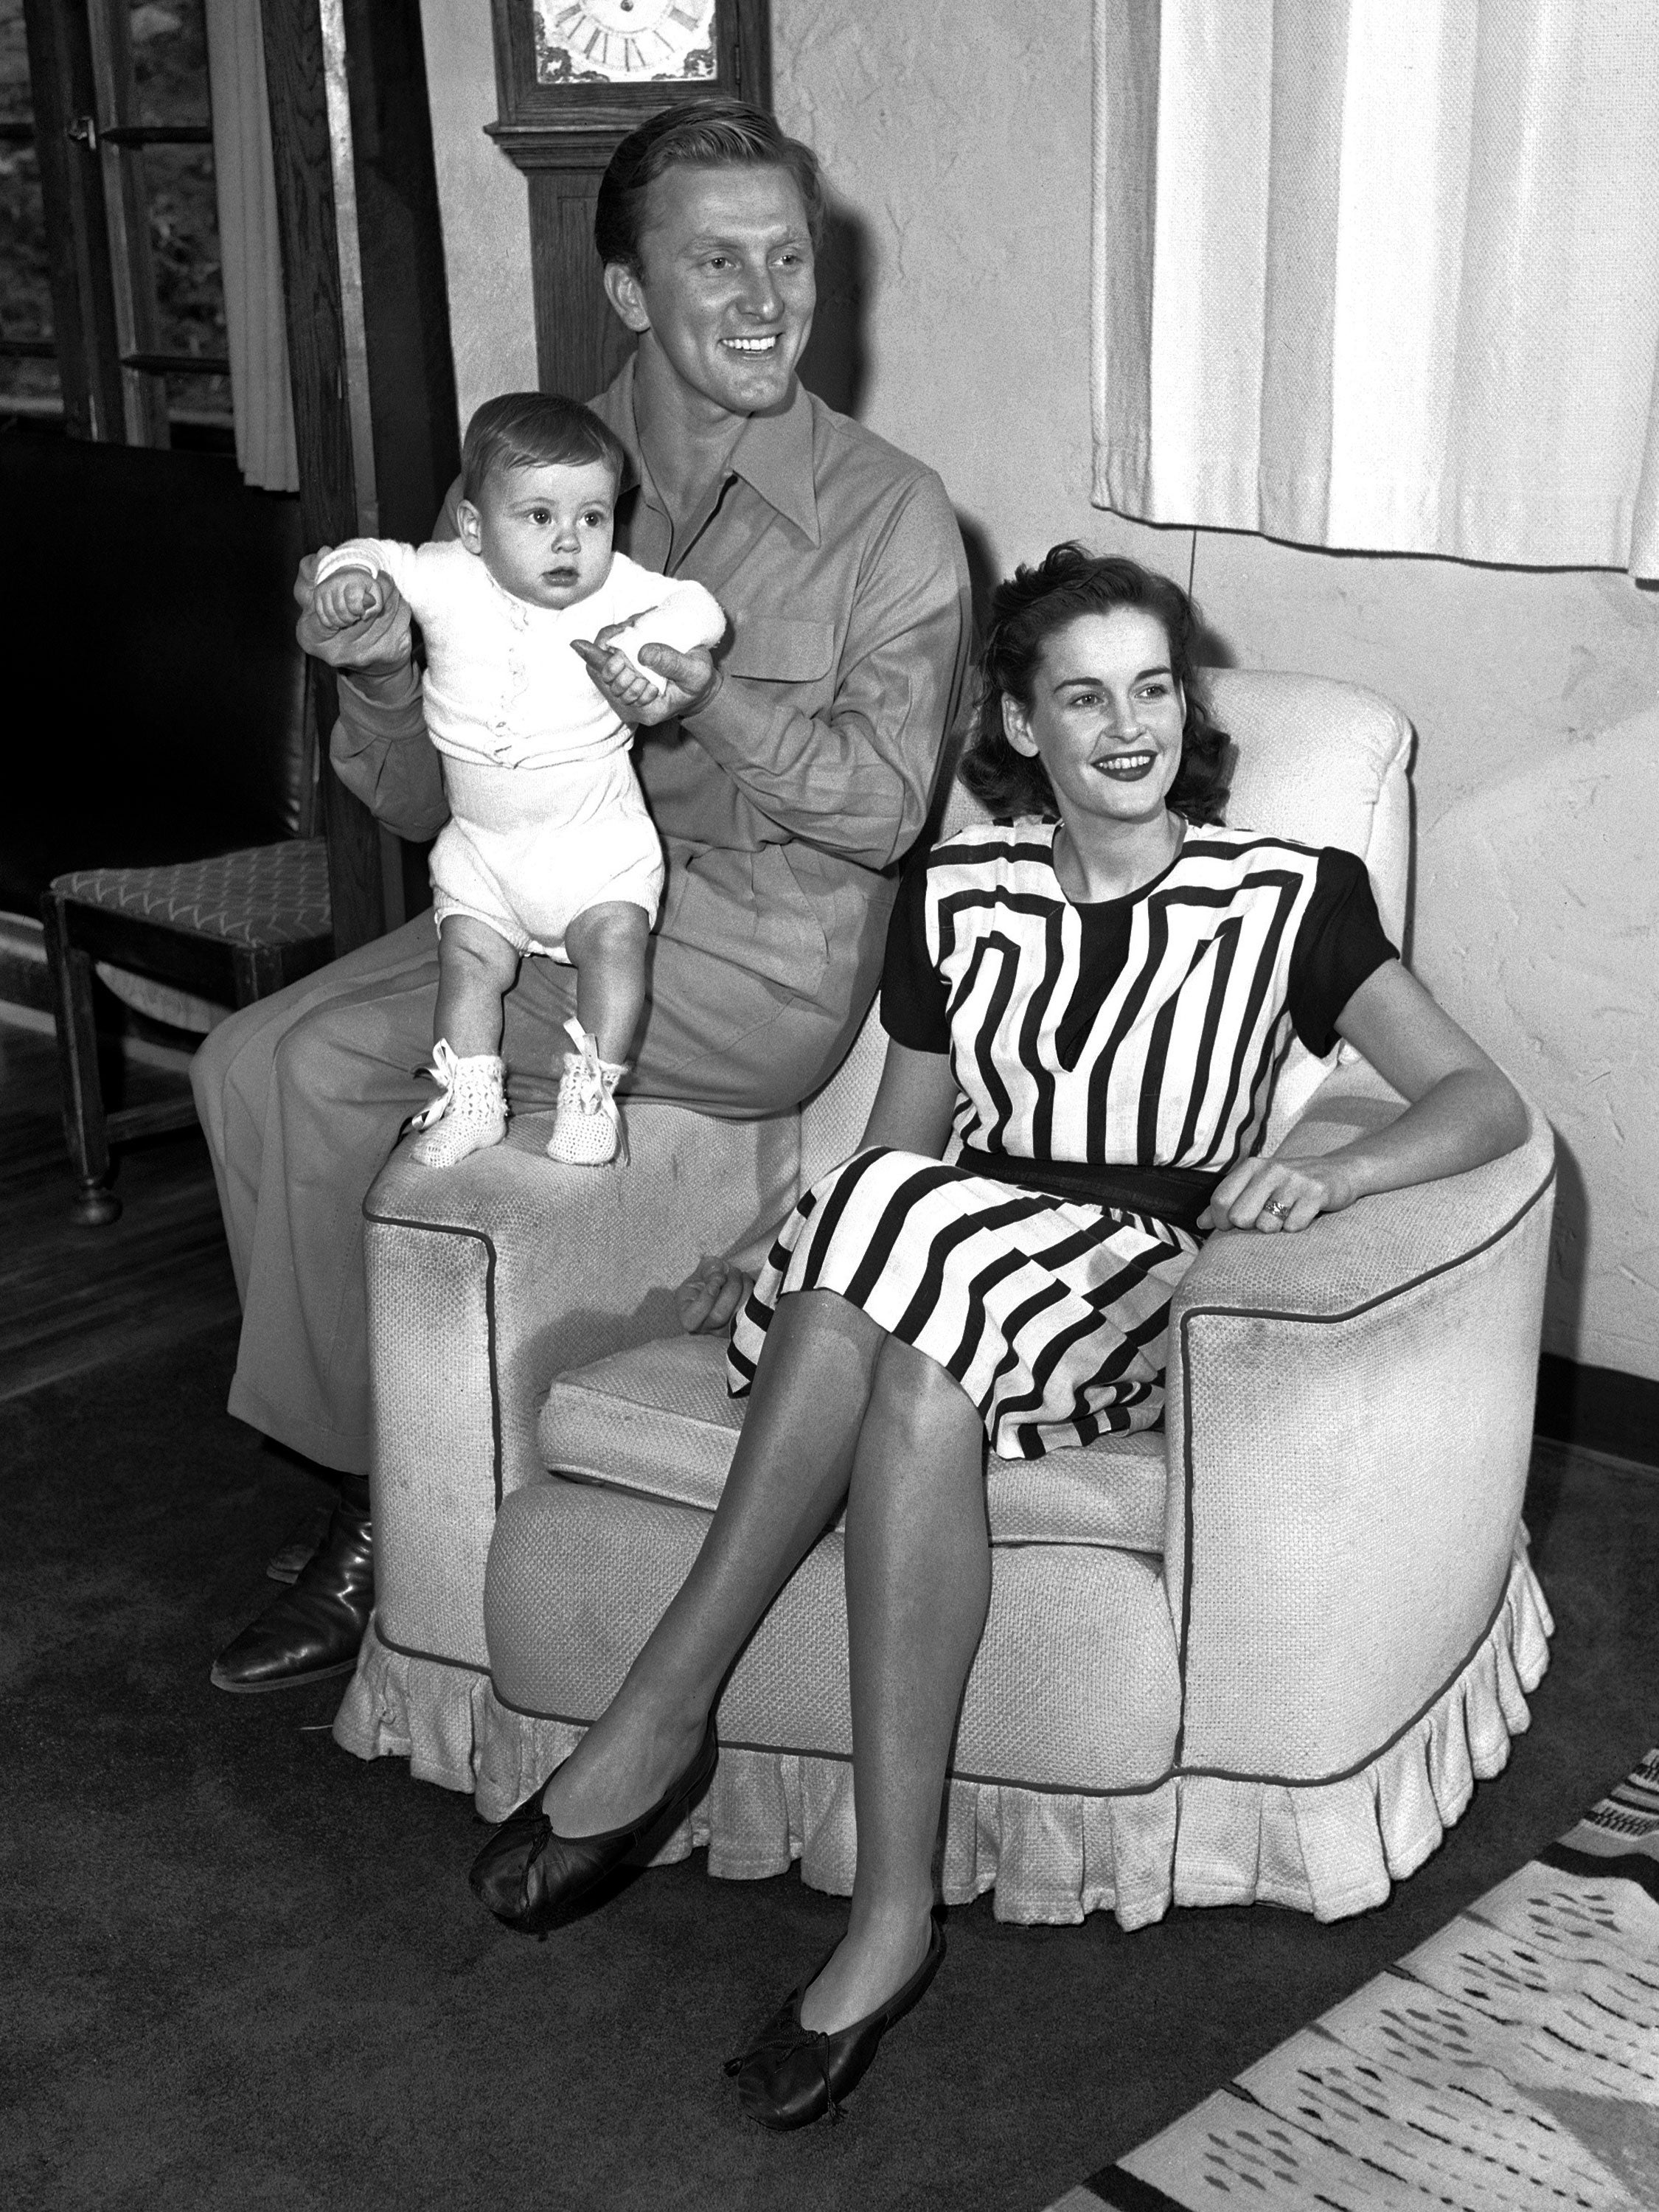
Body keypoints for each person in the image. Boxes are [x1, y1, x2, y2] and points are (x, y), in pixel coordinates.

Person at [465, 546, 1530, 2132]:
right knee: (910, 1346)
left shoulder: (1291, 895)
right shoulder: (959, 894)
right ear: (1022, 727)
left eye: (1155, 690)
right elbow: (901, 1146)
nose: (1128, 727)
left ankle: (659, 1711)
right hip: (940, 1278)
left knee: (904, 1242)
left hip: (1125, 1275)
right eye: (1084, 695)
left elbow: (1481, 1101)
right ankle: (893, 1920)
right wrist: (775, 1249)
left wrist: (1336, 1165)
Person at [195, 100, 972, 1694]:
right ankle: (384, 1473)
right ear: (625, 290)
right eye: (717, 263)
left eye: (791, 259)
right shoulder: (522, 475)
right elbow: (417, 798)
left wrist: (705, 701)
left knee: (316, 1069)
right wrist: (384, 682)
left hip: (750, 962)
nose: (770, 301)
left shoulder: (893, 515)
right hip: (536, 898)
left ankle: (376, 1522)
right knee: (241, 1062)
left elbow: (891, 815)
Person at [310, 392, 726, 1169]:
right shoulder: (445, 574)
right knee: (466, 962)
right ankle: (471, 1100)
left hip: (595, 848)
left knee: (617, 942)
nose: (570, 541)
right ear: (473, 528)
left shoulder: (617, 591)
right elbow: (372, 554)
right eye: (538, 517)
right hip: (485, 855)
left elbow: (699, 607)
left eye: (593, 518)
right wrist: (352, 579)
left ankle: (591, 1095)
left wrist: (644, 640)